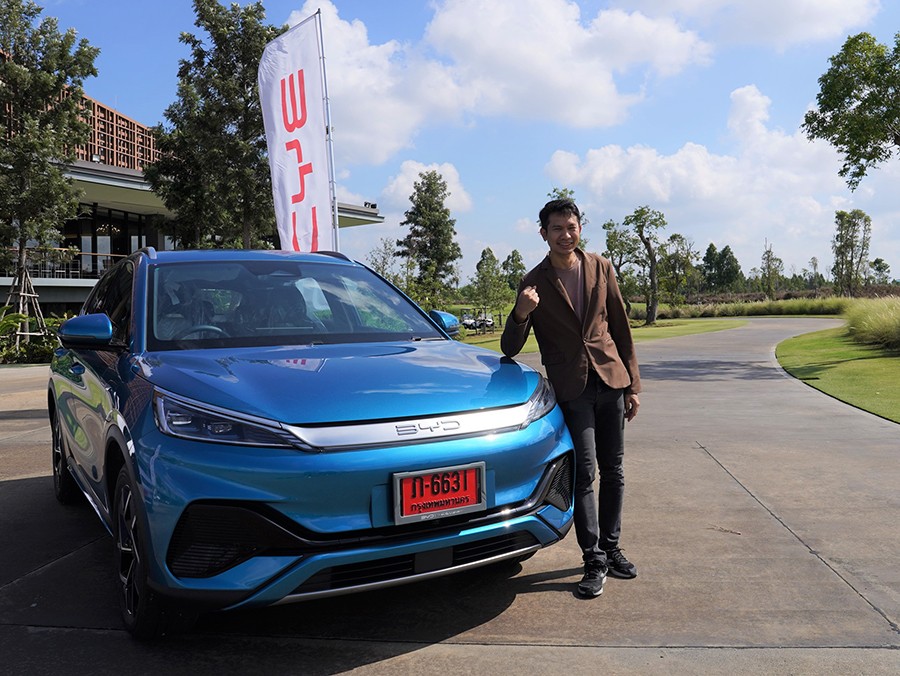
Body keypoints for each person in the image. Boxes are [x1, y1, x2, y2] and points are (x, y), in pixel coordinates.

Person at [501, 197, 642, 599]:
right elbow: (510, 347)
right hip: (572, 389)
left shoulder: (601, 267)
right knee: (584, 474)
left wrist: (632, 385)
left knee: (614, 470)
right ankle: (592, 558)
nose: (566, 235)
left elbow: (620, 327)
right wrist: (521, 312)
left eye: (572, 227)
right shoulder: (533, 281)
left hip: (610, 380)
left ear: (581, 228)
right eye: (557, 228)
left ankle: (611, 548)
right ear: (543, 233)